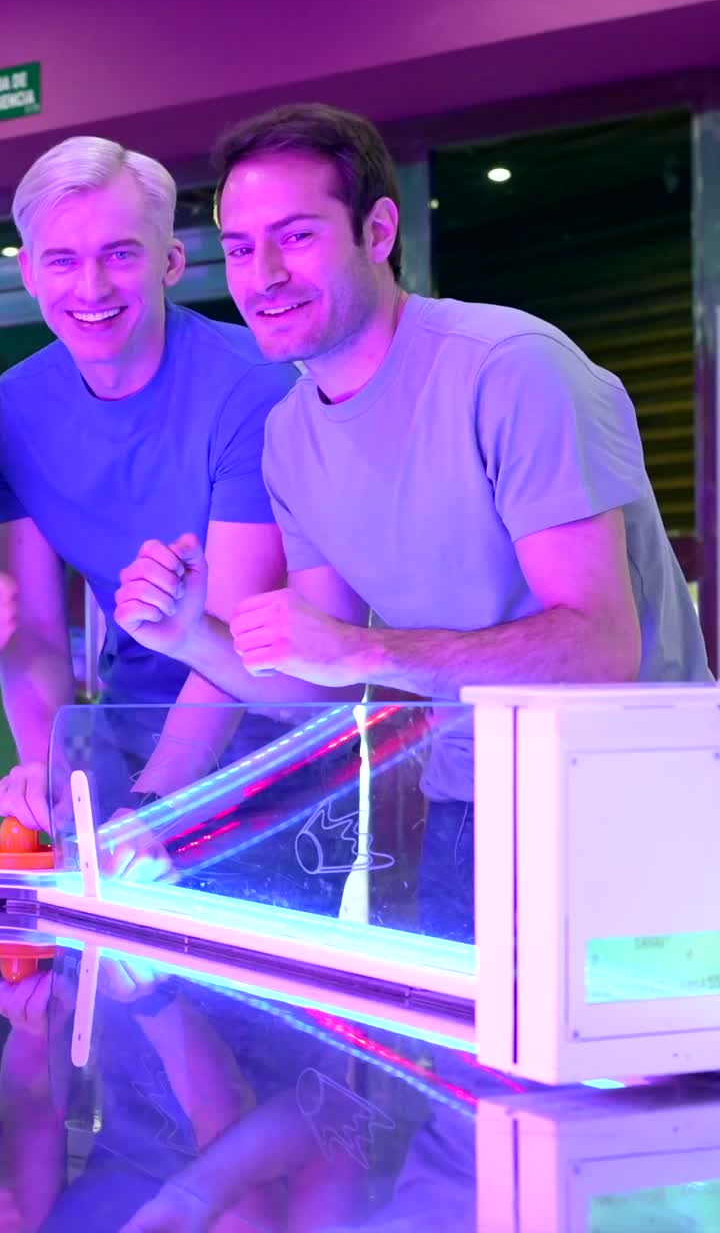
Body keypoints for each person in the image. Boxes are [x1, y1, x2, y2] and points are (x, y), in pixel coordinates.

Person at [115, 103, 711, 939]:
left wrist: (365, 649)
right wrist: (188, 634)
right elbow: (321, 684)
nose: (264, 275)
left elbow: (601, 647)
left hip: (623, 800)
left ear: (380, 229)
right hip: (466, 807)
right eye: (242, 248)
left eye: (297, 236)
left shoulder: (511, 369)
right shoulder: (290, 433)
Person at [0, 134, 356, 885]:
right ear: (28, 272)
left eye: (121, 254)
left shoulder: (254, 387)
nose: (91, 288)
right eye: (62, 261)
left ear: (170, 262)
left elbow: (229, 636)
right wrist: (47, 775)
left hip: (277, 745)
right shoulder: (15, 411)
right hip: (125, 734)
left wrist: (157, 806)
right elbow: (34, 630)